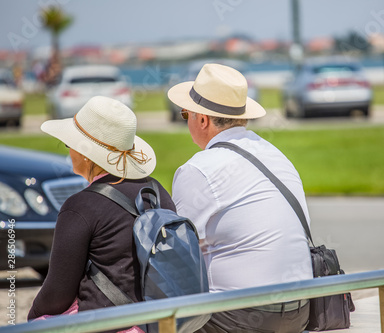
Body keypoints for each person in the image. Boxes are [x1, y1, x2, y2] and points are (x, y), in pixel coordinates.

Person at [168, 64, 313, 333]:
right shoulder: (275, 154)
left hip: (243, 317)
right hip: (302, 310)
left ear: (202, 120)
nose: (185, 119)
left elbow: (178, 258)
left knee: (150, 316)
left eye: (185, 113)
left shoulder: (199, 169)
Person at [28, 96, 176, 333]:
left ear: (87, 154)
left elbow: (57, 295)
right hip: (158, 323)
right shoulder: (157, 192)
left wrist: (32, 318)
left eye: (70, 144)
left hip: (105, 324)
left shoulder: (81, 207)